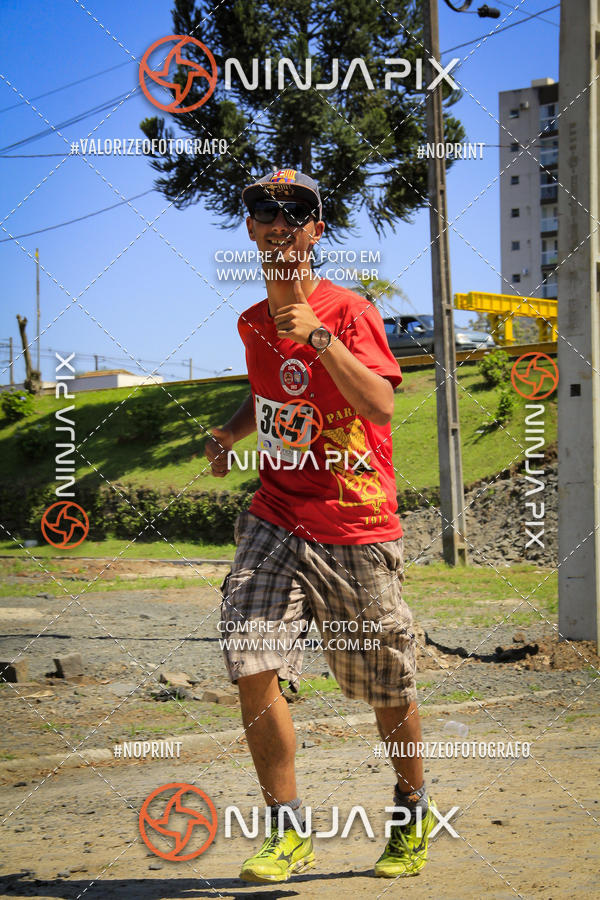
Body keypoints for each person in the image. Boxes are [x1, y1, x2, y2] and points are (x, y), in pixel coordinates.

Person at [205, 169, 436, 883]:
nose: (278, 220)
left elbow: (380, 405)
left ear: (316, 229)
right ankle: (287, 829)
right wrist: (233, 431)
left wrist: (323, 337)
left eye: (295, 210)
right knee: (251, 656)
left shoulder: (351, 311)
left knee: (386, 686)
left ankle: (411, 805)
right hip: (276, 513)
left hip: (354, 523)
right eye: (262, 210)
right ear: (249, 229)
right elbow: (265, 391)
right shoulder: (250, 322)